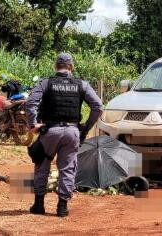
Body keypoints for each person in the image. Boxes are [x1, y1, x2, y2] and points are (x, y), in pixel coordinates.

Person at [26, 52, 103, 217]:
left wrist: (33, 124)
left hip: (50, 131)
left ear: (56, 66)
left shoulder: (46, 83)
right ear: (71, 67)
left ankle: (39, 205)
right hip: (72, 132)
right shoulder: (82, 85)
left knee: (42, 165)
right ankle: (62, 207)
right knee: (68, 169)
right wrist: (86, 127)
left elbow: (31, 102)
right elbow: (98, 106)